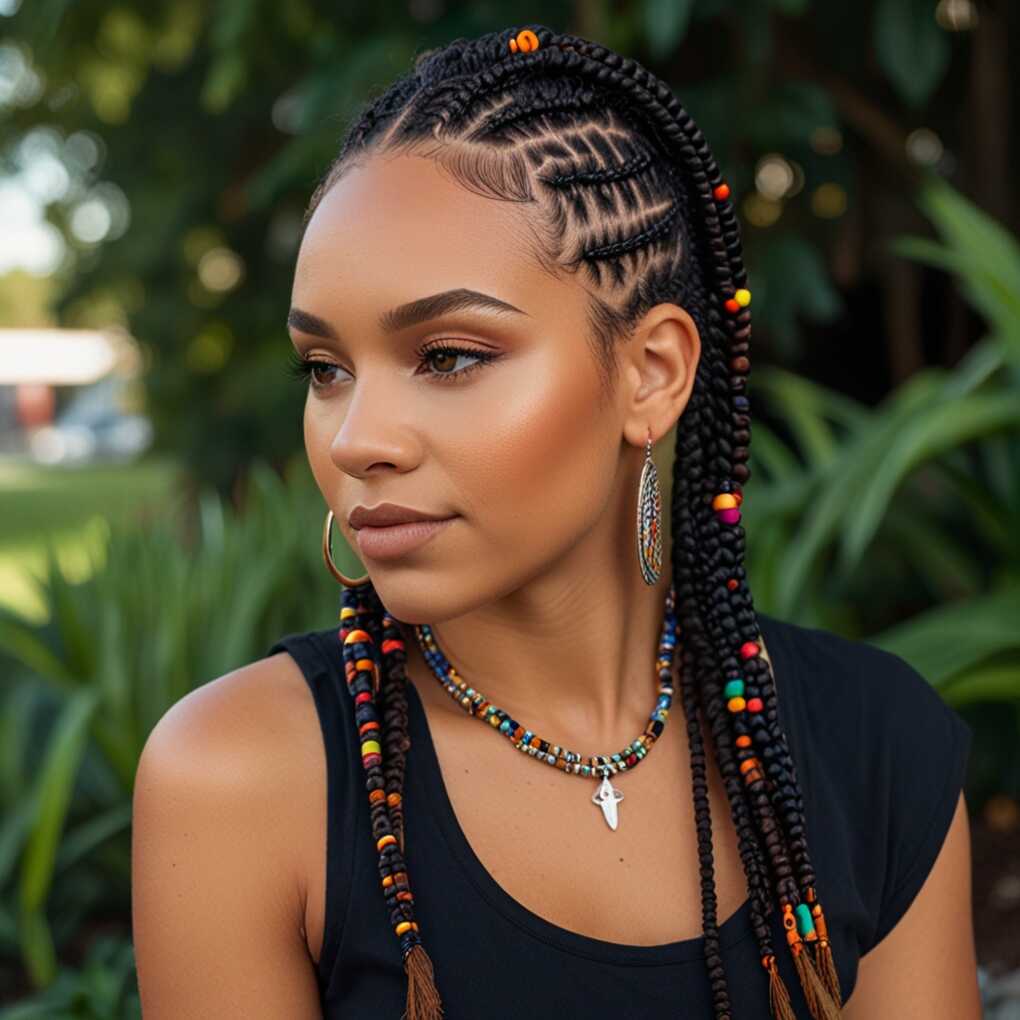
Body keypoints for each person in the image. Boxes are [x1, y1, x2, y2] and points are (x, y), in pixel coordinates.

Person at [131, 24, 980, 1020]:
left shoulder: (871, 748)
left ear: (651, 374)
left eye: (448, 355)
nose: (358, 439)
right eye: (326, 370)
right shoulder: (242, 780)